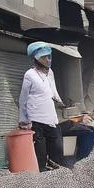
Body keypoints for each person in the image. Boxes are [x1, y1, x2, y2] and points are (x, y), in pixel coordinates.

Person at [18, 42, 65, 171]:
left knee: (57, 150)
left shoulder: (50, 73)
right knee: (40, 153)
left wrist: (60, 102)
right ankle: (42, 180)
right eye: (44, 57)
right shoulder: (30, 75)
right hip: (36, 120)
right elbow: (23, 99)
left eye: (49, 57)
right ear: (36, 58)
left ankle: (56, 176)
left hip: (51, 118)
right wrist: (23, 119)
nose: (48, 60)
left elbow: (53, 90)